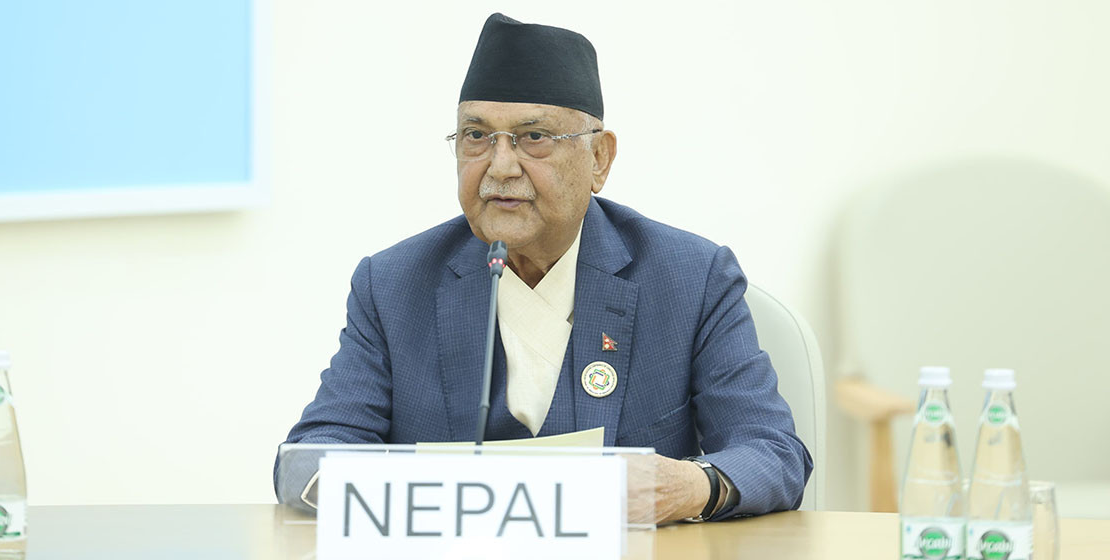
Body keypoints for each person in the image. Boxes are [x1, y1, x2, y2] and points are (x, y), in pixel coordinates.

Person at [280, 12, 811, 523]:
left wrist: (685, 486)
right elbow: (307, 460)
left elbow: (773, 453)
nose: (500, 166)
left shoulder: (689, 279)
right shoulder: (395, 284)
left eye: (534, 138)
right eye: (476, 136)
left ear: (599, 159)